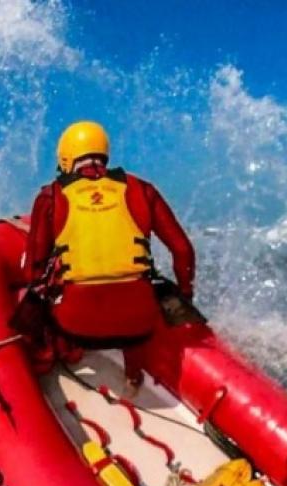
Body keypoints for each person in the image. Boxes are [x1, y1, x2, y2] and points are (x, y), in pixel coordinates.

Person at [15, 120, 196, 391]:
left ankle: (53, 356)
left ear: (65, 158)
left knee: (33, 294)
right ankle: (133, 378)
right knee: (137, 294)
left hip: (75, 323)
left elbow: (33, 270)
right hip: (139, 323)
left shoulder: (51, 196)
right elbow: (183, 251)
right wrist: (184, 293)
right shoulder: (142, 189)